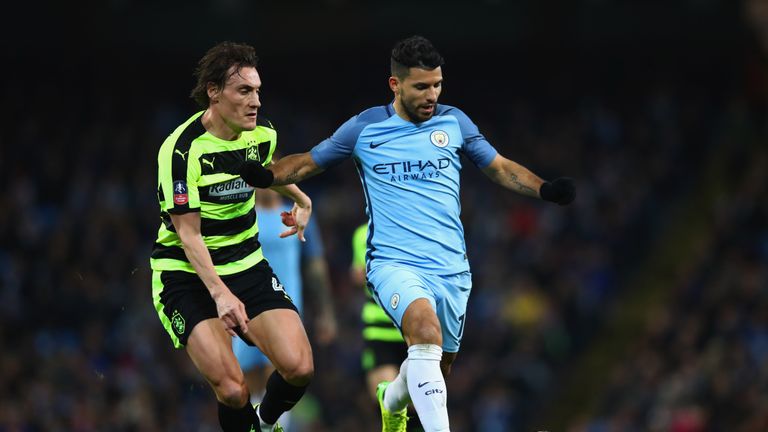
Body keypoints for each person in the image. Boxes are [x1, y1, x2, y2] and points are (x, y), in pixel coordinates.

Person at [239, 35, 576, 432]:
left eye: (437, 84)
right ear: (395, 85)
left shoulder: (455, 122)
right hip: (394, 263)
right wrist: (268, 175)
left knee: (437, 365)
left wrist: (544, 189)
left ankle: (391, 400)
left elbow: (499, 167)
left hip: (451, 269)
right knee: (424, 333)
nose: (432, 94)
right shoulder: (365, 127)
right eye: (421, 87)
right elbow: (310, 162)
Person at [150, 41, 315, 432]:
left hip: (246, 264)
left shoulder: (261, 135)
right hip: (185, 275)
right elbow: (188, 235)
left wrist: (301, 198)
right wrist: (220, 294)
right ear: (214, 92)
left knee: (299, 368)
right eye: (244, 91)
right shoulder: (180, 151)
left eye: (257, 91)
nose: (255, 101)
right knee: (233, 390)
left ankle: (264, 424)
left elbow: (263, 171)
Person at [232, 186, 338, 430]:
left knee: (280, 374)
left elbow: (315, 266)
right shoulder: (243, 215)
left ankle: (274, 427)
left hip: (285, 307)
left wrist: (326, 312)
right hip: (247, 309)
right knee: (248, 385)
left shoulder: (296, 214)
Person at [351, 223, 423, 431]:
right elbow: (358, 274)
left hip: (414, 330)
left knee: (419, 401)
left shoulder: (416, 229)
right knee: (383, 398)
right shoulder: (363, 232)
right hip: (379, 329)